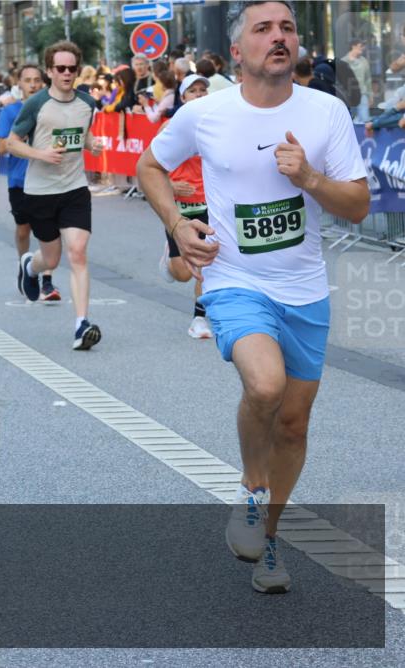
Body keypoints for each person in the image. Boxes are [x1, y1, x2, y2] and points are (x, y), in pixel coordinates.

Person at [136, 0, 369, 594]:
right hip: (236, 280)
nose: (279, 37)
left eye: (287, 27)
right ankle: (249, 486)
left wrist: (310, 180)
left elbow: (359, 206)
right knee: (264, 385)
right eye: (263, 29)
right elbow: (149, 167)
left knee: (292, 423)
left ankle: (267, 538)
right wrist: (179, 226)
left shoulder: (326, 112)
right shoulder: (206, 113)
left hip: (306, 290)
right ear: (238, 51)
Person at [9, 40, 104, 351]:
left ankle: (81, 325)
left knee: (77, 252)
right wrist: (40, 153)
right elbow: (11, 143)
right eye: (60, 68)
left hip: (74, 188)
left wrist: (92, 145)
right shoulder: (36, 104)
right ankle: (30, 267)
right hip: (40, 192)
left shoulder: (87, 103)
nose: (66, 73)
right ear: (49, 71)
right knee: (51, 258)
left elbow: (83, 133)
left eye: (71, 68)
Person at [153, 74, 212, 338]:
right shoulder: (169, 128)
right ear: (183, 97)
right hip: (179, 209)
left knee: (205, 264)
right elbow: (150, 170)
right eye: (194, 91)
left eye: (203, 90)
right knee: (182, 274)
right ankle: (170, 258)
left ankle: (200, 319)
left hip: (209, 205)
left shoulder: (216, 126)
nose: (200, 95)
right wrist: (171, 186)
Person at [0, 64, 59, 301]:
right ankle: (25, 266)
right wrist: (21, 136)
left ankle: (47, 282)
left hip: (48, 179)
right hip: (20, 181)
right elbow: (1, 148)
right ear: (19, 84)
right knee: (24, 230)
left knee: (49, 231)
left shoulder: (52, 110)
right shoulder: (11, 112)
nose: (32, 84)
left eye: (36, 80)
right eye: (27, 80)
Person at [341, 38, 371, 123]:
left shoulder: (364, 61)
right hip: (348, 96)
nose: (363, 48)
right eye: (360, 46)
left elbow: (368, 79)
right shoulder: (343, 61)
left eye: (363, 46)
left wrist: (370, 95)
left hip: (362, 94)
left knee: (365, 120)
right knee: (351, 120)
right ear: (353, 46)